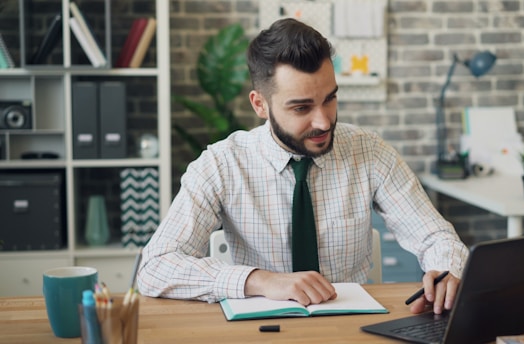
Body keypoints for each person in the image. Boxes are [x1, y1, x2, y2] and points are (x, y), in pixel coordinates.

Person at [138, 18, 469, 315]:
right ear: (260, 105)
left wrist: (446, 270)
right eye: (301, 108)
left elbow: (434, 236)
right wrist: (261, 281)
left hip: (351, 329)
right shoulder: (221, 164)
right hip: (260, 333)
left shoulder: (370, 152)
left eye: (330, 98)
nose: (323, 121)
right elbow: (155, 267)